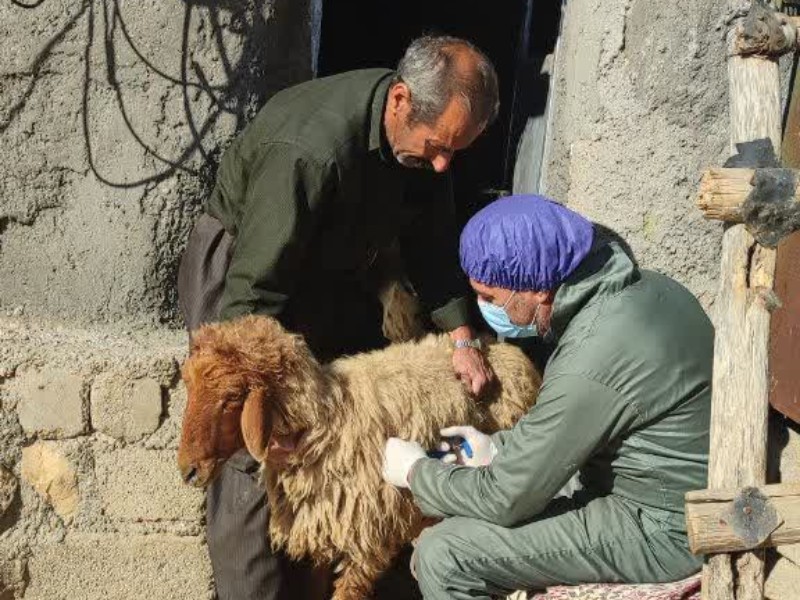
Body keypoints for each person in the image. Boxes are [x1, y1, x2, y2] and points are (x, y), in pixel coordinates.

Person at [177, 36, 500, 600]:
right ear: (400, 101)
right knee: (257, 452)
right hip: (249, 274)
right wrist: (263, 422)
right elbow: (253, 298)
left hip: (329, 269)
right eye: (438, 147)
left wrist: (461, 337)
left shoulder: (424, 146)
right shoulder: (308, 152)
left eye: (456, 151)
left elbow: (432, 245)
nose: (444, 164)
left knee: (329, 430)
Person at [382, 195, 713, 599]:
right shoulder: (648, 291)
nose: (483, 308)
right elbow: (570, 427)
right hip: (669, 484)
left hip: (665, 525)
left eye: (489, 297)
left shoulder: (593, 354)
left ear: (538, 288)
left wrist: (417, 473)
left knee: (444, 554)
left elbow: (507, 498)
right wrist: (497, 449)